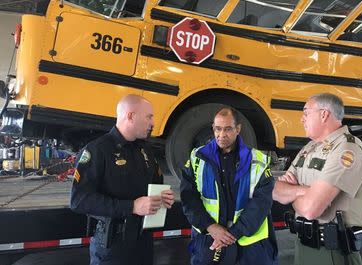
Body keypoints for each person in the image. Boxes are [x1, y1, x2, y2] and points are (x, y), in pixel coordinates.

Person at [70, 94, 175, 265]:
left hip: (143, 243)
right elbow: (79, 200)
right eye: (149, 116)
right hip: (113, 246)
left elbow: (156, 184)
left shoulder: (145, 150)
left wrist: (162, 198)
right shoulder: (97, 150)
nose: (153, 123)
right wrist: (132, 206)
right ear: (131, 115)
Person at [273, 93, 362, 265]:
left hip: (332, 252)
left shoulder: (347, 150)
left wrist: (295, 194)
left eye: (306, 113)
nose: (301, 119)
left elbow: (310, 210)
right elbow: (276, 191)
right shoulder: (309, 148)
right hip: (303, 245)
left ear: (324, 114)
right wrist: (303, 191)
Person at [180, 107, 278, 265]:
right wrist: (210, 227)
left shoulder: (258, 161)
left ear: (238, 129)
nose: (221, 135)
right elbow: (189, 198)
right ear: (213, 128)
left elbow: (261, 204)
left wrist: (232, 234)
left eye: (228, 129)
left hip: (249, 247)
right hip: (209, 240)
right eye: (217, 129)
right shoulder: (197, 158)